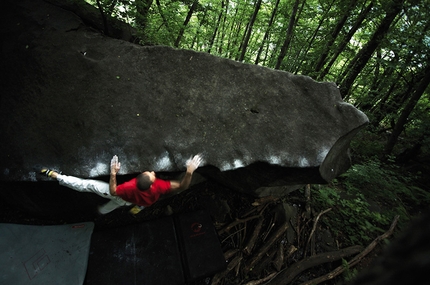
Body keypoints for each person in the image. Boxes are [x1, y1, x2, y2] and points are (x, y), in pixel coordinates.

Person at [40, 154, 203, 214]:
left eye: (151, 174)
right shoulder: (159, 187)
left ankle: (56, 176)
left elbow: (113, 190)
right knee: (118, 205)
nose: (153, 173)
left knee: (87, 185)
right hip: (137, 203)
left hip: (121, 196)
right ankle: (103, 211)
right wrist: (189, 171)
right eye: (151, 174)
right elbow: (182, 186)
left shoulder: (128, 187)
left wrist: (113, 173)